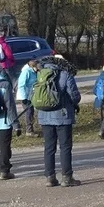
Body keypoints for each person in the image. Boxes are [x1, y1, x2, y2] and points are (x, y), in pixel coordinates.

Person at [36, 55, 81, 188]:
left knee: (49, 148)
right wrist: (74, 103)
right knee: (65, 147)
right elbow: (74, 95)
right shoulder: (65, 74)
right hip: (62, 116)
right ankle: (67, 177)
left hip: (44, 116)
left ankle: (50, 177)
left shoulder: (41, 74)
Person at [16, 58, 40, 138]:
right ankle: (29, 130)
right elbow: (21, 85)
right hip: (26, 96)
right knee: (28, 112)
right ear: (33, 66)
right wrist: (24, 97)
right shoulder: (26, 72)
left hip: (31, 96)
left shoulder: (34, 72)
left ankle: (30, 129)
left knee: (31, 111)